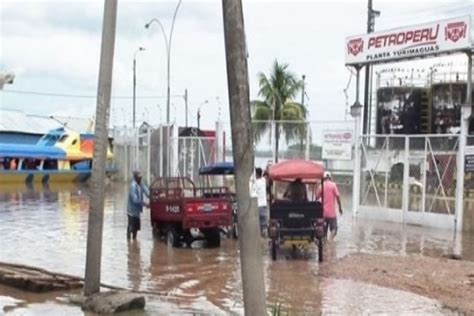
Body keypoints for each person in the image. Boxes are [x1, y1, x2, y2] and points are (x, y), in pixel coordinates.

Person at [316, 171, 342, 241]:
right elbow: (338, 197)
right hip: (332, 214)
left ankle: (325, 244)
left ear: (324, 178)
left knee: (323, 232)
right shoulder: (333, 185)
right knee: (334, 229)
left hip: (323, 213)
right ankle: (330, 241)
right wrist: (340, 208)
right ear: (330, 178)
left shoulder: (321, 186)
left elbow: (316, 197)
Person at [127, 170, 150, 240]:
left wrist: (154, 197)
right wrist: (145, 204)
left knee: (136, 229)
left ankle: (134, 244)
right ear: (135, 178)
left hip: (137, 211)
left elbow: (147, 193)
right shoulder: (133, 186)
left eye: (141, 177)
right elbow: (135, 200)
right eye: (139, 177)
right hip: (131, 211)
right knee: (131, 228)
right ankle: (128, 243)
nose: (140, 179)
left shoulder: (141, 184)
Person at [254, 167, 268, 236]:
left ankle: (259, 236)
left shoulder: (256, 183)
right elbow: (265, 175)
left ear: (256, 174)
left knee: (257, 222)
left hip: (258, 205)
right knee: (263, 222)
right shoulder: (263, 181)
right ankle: (264, 234)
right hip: (264, 204)